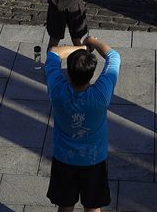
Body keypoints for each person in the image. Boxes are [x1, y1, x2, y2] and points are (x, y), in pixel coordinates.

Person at [44, 35, 121, 212]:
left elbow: (54, 53)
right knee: (93, 207)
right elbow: (114, 57)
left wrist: (81, 50)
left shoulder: (57, 90)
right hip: (94, 160)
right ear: (91, 73)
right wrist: (92, 42)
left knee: (65, 206)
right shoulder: (100, 95)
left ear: (69, 72)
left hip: (64, 158)